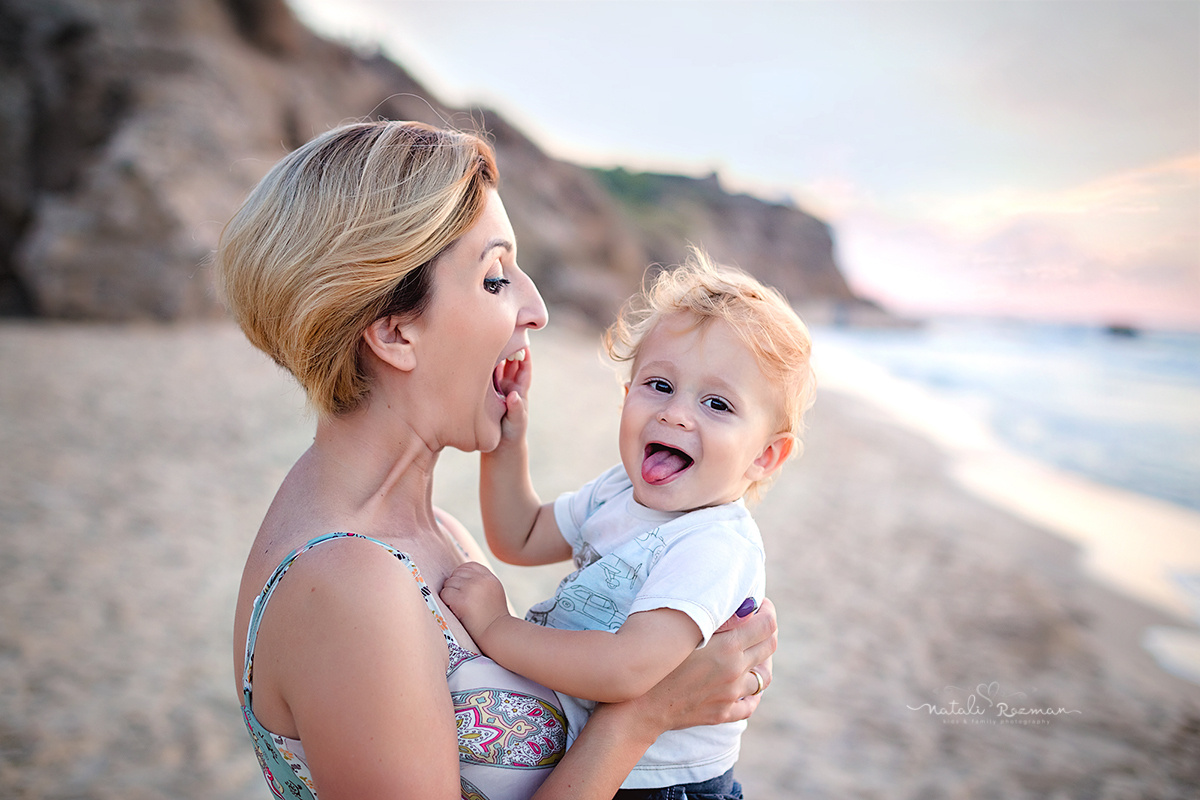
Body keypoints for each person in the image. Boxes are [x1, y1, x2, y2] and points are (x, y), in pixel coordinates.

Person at [218, 120, 777, 800]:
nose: (535, 309)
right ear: (395, 332)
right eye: (494, 279)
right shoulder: (349, 585)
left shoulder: (439, 537)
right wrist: (647, 715)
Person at [440, 250, 815, 799]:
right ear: (626, 395)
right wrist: (506, 445)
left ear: (764, 456)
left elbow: (625, 671)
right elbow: (519, 537)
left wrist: (497, 627)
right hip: (594, 754)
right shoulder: (616, 490)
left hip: (659, 785)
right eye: (659, 385)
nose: (675, 413)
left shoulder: (715, 544)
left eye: (717, 404)